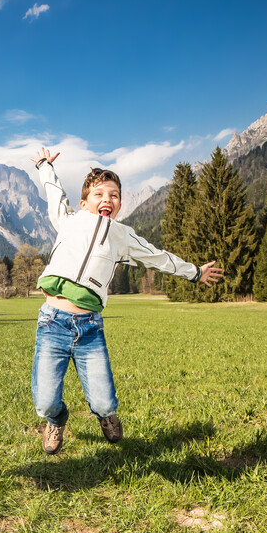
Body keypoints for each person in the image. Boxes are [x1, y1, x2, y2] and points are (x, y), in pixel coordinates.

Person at [29, 146, 224, 454]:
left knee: (105, 401)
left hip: (89, 327)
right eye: (99, 194)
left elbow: (158, 257)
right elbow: (55, 194)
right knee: (45, 401)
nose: (108, 199)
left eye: (115, 195)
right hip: (52, 321)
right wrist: (44, 166)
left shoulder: (122, 235)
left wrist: (195, 272)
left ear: (119, 204)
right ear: (84, 203)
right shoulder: (68, 220)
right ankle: (57, 419)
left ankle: (105, 415)